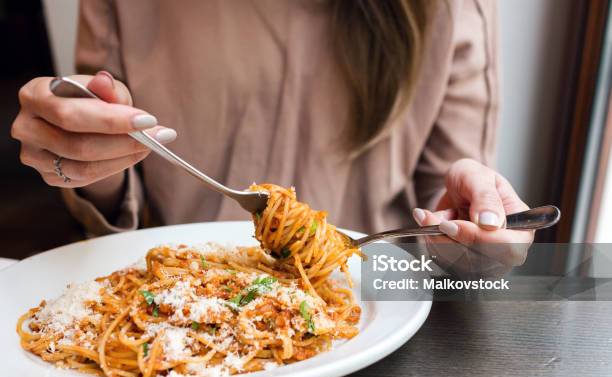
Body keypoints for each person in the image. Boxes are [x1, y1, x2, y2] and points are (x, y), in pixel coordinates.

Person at [10, 0, 532, 266]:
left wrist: (477, 244)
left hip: (367, 319)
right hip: (178, 308)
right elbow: (112, 199)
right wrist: (83, 152)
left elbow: (450, 219)